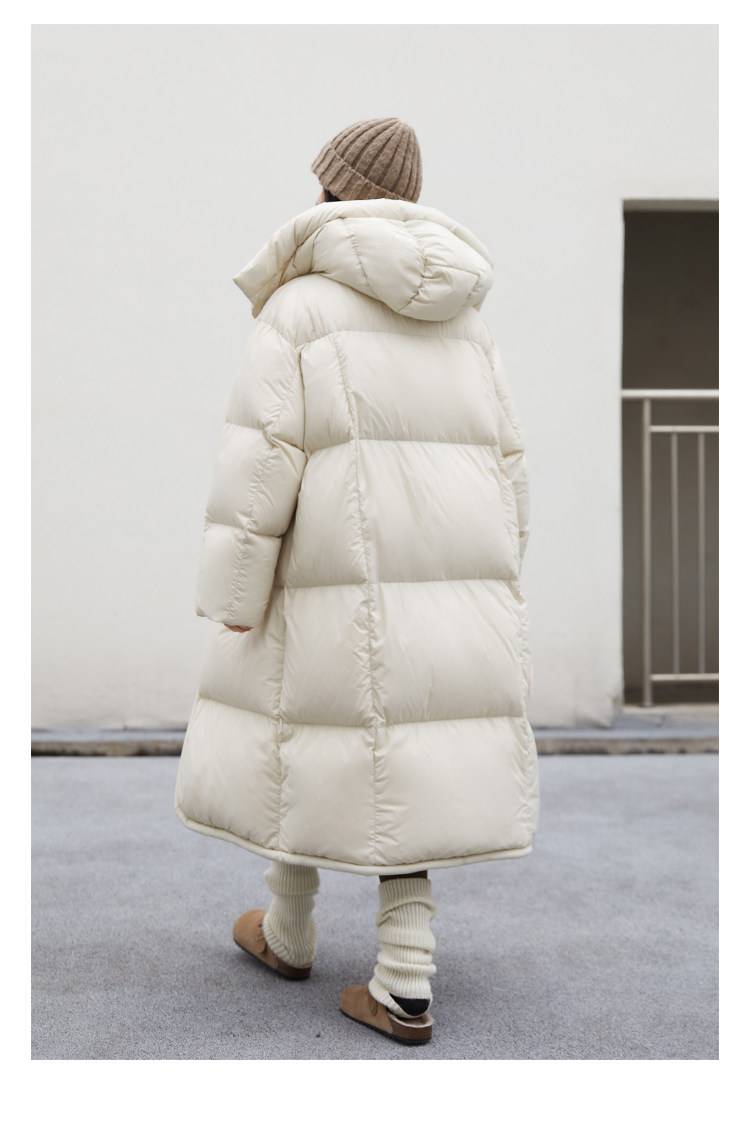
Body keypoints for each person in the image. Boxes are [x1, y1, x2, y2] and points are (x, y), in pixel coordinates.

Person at [175, 117, 539, 1046]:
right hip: (447, 584)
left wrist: (235, 592)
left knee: (303, 737)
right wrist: (498, 572)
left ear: (334, 191)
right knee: (394, 755)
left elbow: (262, 461)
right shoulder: (466, 316)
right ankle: (345, 952)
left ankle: (351, 959)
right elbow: (508, 461)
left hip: (325, 576)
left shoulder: (301, 307)